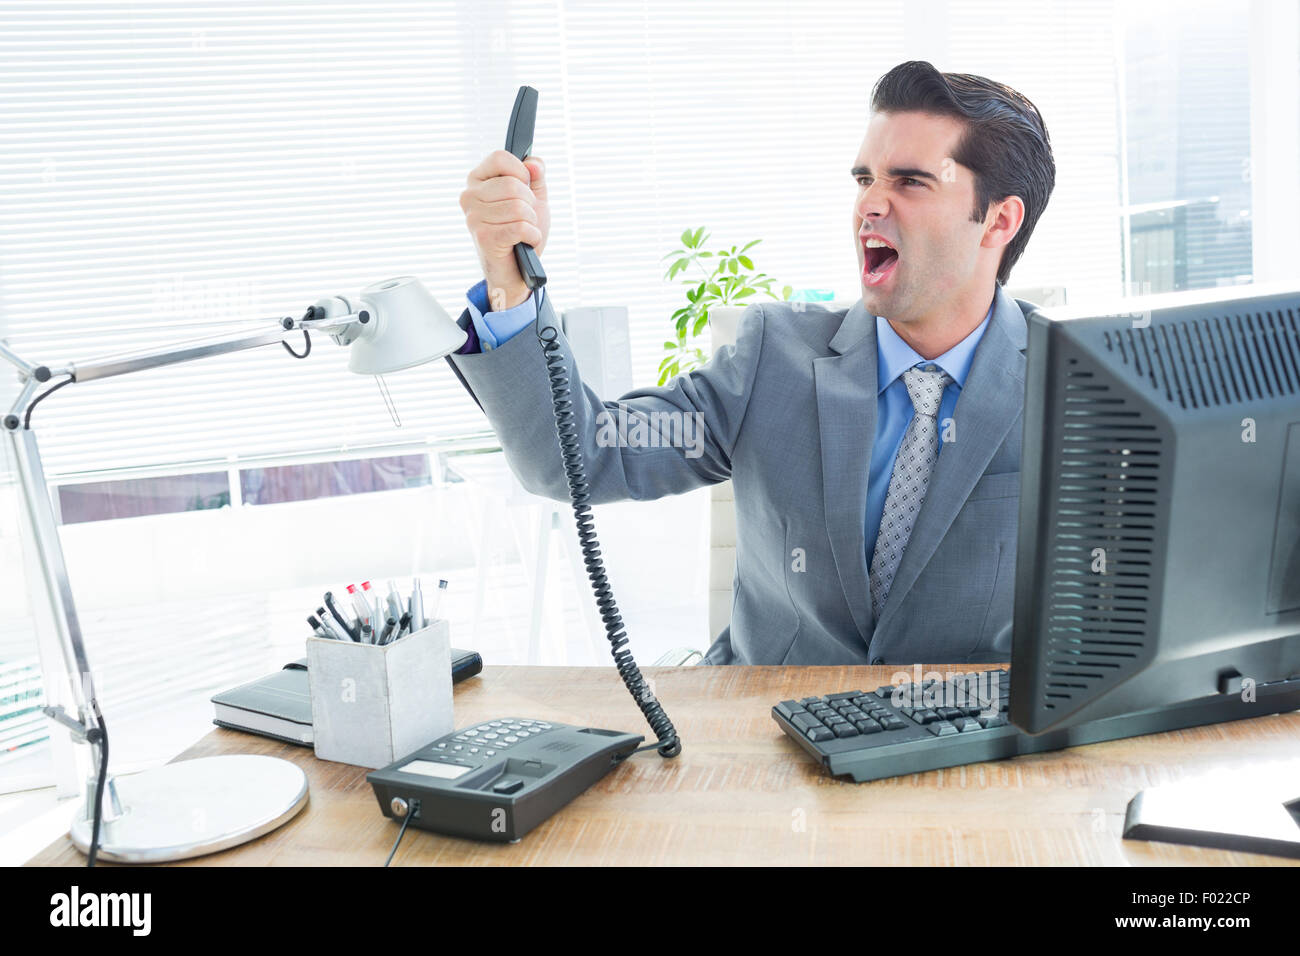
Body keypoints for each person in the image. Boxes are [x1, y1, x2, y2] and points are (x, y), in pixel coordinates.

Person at [446, 60, 1056, 665]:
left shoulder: (1073, 388)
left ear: (998, 221)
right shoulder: (775, 362)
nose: (870, 204)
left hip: (964, 745)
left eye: (910, 182)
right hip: (763, 735)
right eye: (864, 178)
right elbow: (579, 456)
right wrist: (509, 281)